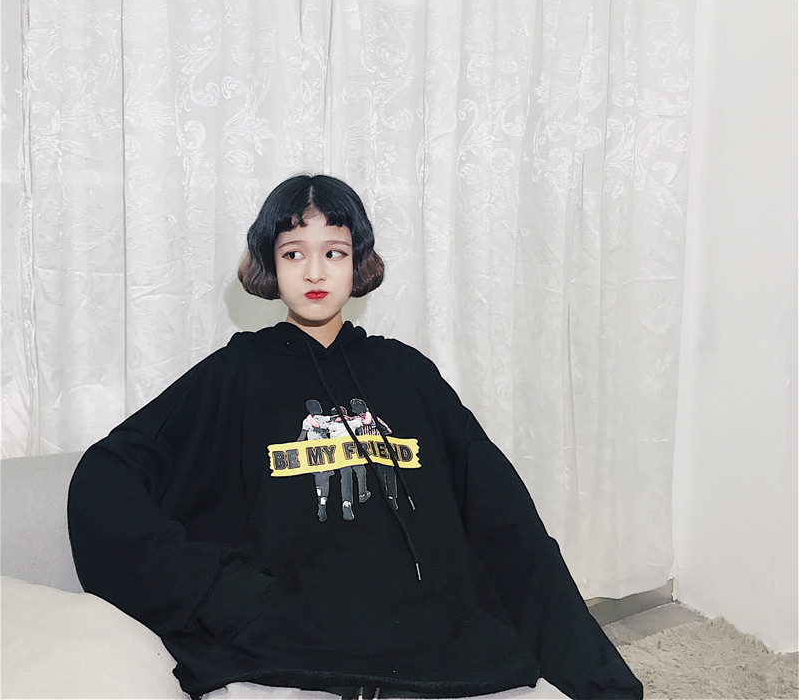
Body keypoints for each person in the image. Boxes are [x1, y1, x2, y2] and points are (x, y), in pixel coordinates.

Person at [67, 174, 643, 700]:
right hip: (284, 653)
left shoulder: (407, 373)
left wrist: (600, 683)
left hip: (436, 648)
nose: (315, 273)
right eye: (294, 253)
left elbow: (507, 523)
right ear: (270, 264)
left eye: (334, 252)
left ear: (358, 262)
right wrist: (220, 595)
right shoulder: (234, 374)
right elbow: (106, 477)